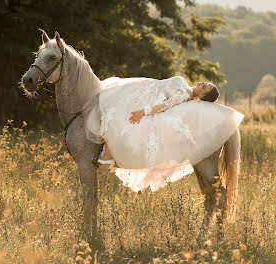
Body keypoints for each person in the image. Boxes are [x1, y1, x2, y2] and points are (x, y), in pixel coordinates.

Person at [84, 76, 243, 192]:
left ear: (201, 96)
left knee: (122, 118)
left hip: (150, 101)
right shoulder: (186, 88)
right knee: (115, 105)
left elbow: (166, 105)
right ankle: (107, 151)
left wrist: (144, 112)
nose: (202, 83)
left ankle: (108, 154)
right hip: (146, 90)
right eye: (205, 83)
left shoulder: (184, 95)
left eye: (204, 87)